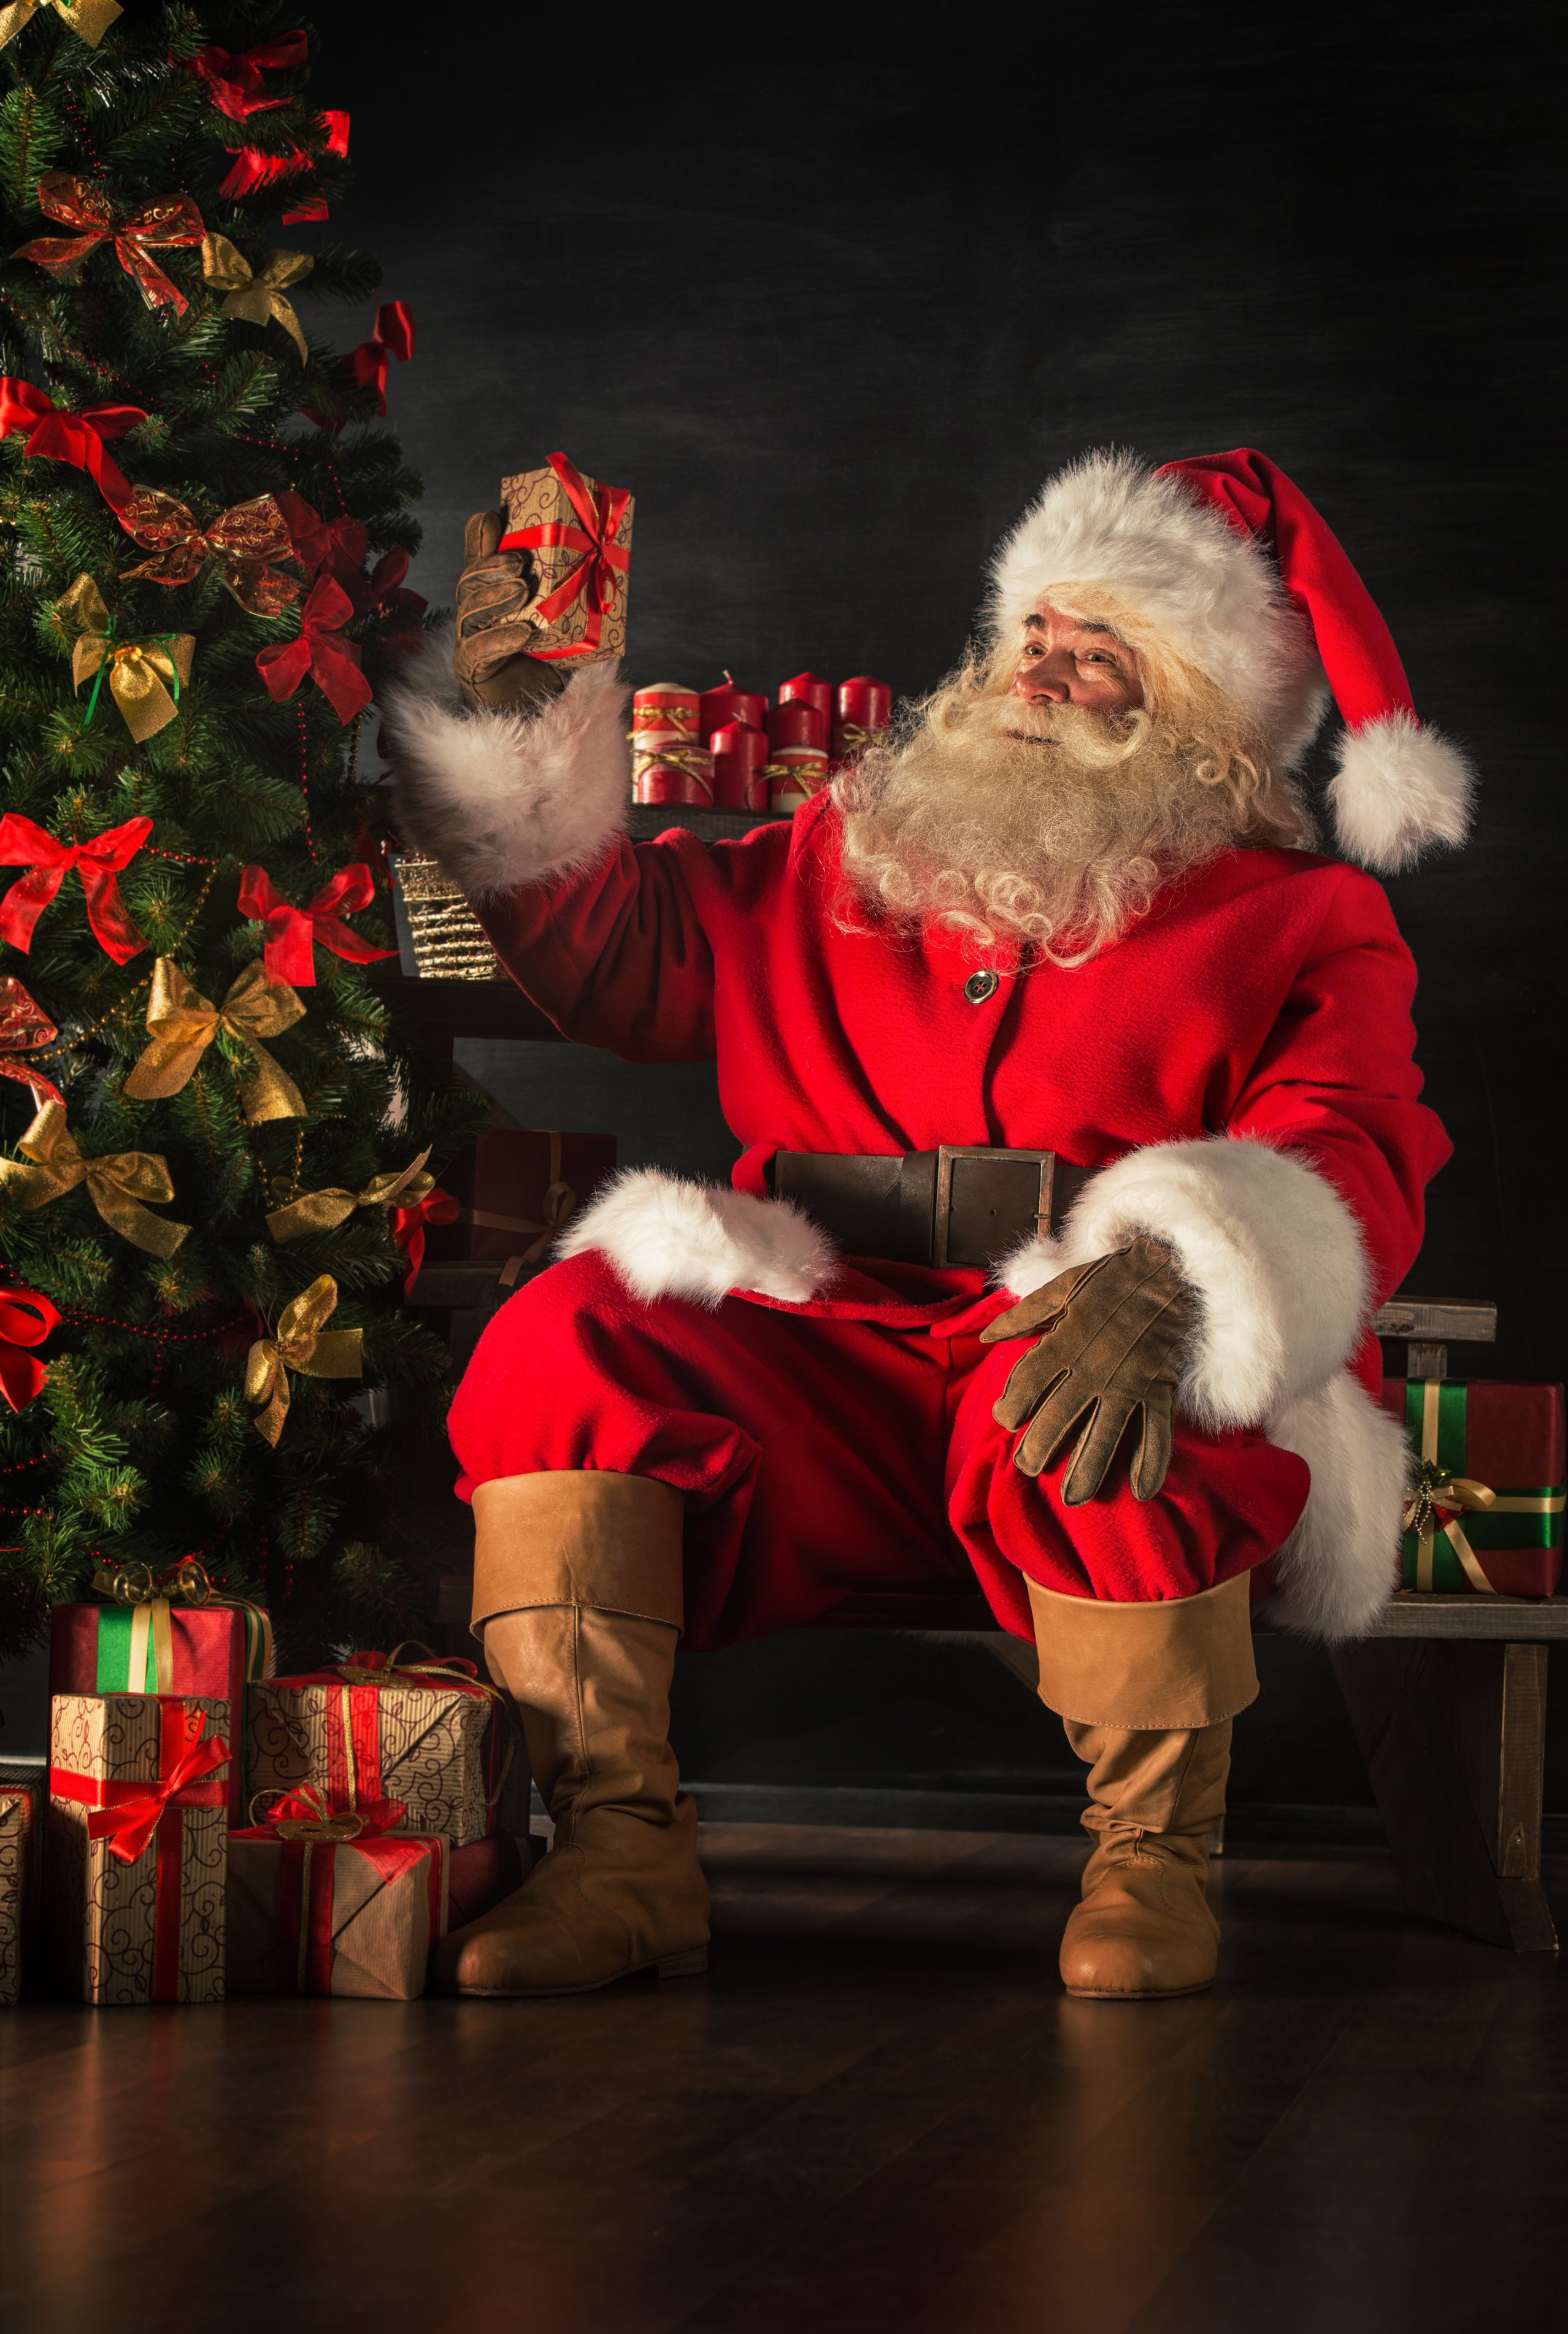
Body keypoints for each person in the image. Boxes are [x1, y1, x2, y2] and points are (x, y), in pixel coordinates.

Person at [387, 447, 1470, 2002]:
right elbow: (623, 952)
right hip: (827, 1336)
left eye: (1104, 648)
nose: (1042, 667)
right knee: (572, 1340)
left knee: (1141, 1405)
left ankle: (1152, 1870)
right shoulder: (852, 842)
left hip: (1061, 1331)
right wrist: (523, 729)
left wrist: (1175, 1267)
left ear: (1211, 712)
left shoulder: (1298, 917)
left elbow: (1348, 1143)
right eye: (1035, 630)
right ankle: (620, 1853)